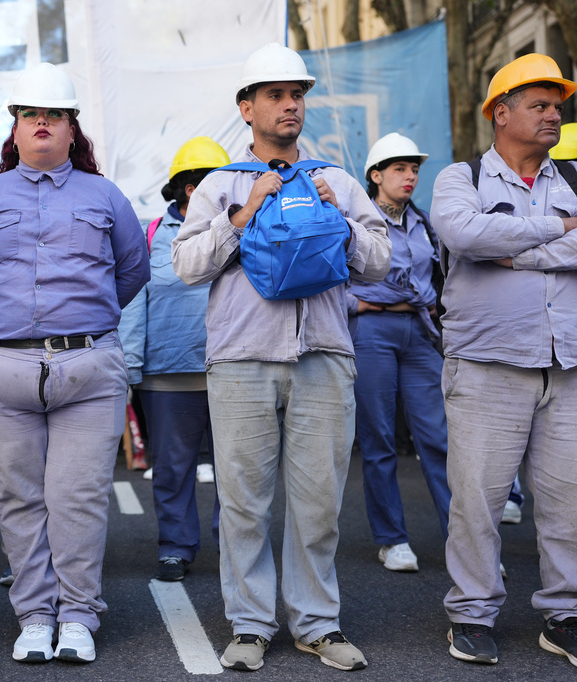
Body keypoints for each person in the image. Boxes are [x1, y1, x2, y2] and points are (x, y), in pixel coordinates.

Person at [171, 43, 391, 673]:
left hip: (324, 355)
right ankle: (249, 625)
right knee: (243, 500)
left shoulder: (339, 180)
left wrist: (336, 217)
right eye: (275, 94)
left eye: (297, 94)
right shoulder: (219, 184)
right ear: (247, 108)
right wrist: (246, 212)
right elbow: (186, 265)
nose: (290, 104)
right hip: (241, 359)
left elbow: (379, 263)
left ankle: (317, 625)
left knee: (319, 500)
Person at [0, 62, 150, 664]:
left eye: (53, 114)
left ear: (70, 127)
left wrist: (82, 317)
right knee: (20, 497)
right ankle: (35, 615)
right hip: (1, 371)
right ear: (14, 126)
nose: (42, 122)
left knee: (78, 496)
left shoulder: (104, 194)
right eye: (30, 113)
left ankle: (79, 615)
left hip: (87, 369)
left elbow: (130, 270)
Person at [431, 52, 577, 668]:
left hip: (565, 367)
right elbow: (466, 236)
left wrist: (516, 245)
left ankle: (564, 613)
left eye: (557, 106)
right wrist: (561, 231)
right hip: (486, 365)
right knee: (478, 500)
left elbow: (495, 242)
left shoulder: (572, 178)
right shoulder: (457, 178)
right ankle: (471, 613)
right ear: (500, 113)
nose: (554, 116)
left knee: (569, 499)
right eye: (540, 105)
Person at [118, 136, 227, 582]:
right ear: (189, 189)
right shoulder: (150, 236)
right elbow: (133, 301)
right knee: (172, 469)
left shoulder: (245, 228)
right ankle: (175, 547)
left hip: (233, 370)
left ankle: (238, 549)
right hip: (167, 375)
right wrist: (129, 367)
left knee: (240, 471)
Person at [347, 133, 451, 572]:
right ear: (375, 176)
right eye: (399, 169)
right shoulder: (354, 220)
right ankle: (392, 540)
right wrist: (363, 303)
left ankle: (466, 544)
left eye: (414, 169)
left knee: (440, 439)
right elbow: (331, 279)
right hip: (372, 330)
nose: (410, 177)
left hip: (421, 331)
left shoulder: (424, 222)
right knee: (379, 439)